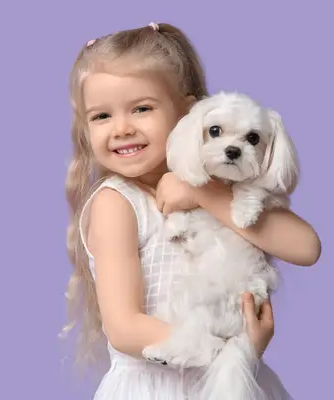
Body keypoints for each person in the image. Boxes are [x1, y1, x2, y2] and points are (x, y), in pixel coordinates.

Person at [62, 22, 321, 399]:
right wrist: (232, 353)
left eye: (141, 108)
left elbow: (306, 247)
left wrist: (202, 195)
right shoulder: (116, 203)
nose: (121, 128)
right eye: (101, 116)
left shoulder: (219, 189)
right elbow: (125, 329)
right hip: (157, 386)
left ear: (189, 112)